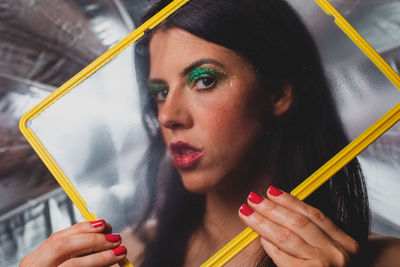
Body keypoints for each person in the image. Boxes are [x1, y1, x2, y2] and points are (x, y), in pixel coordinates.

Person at [20, 0, 400, 266]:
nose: (168, 116)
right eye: (159, 93)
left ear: (278, 93)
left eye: (203, 80)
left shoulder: (385, 259)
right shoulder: (120, 255)